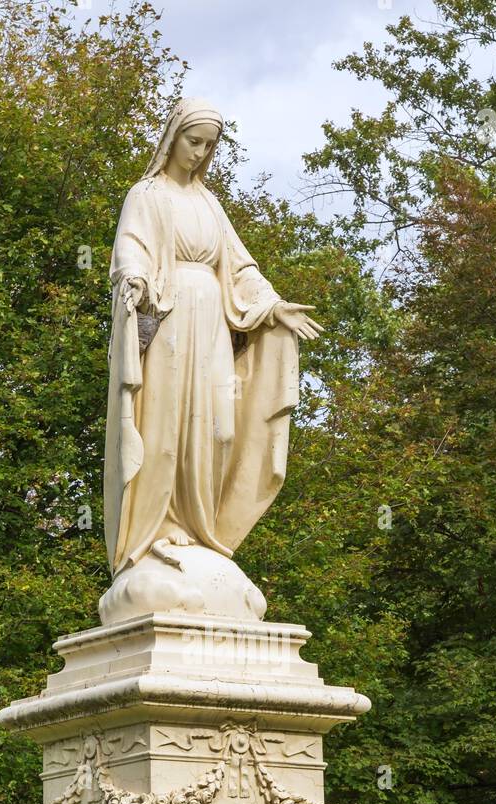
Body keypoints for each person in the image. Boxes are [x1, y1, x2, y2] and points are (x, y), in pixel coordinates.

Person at [104, 97, 322, 582]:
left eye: (210, 145)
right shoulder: (147, 195)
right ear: (173, 138)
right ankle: (160, 528)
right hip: (170, 317)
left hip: (212, 327)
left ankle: (201, 528)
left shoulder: (210, 203)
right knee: (164, 423)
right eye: (193, 141)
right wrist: (135, 279)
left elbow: (240, 267)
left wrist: (272, 305)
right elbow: (131, 248)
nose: (201, 153)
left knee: (219, 428)